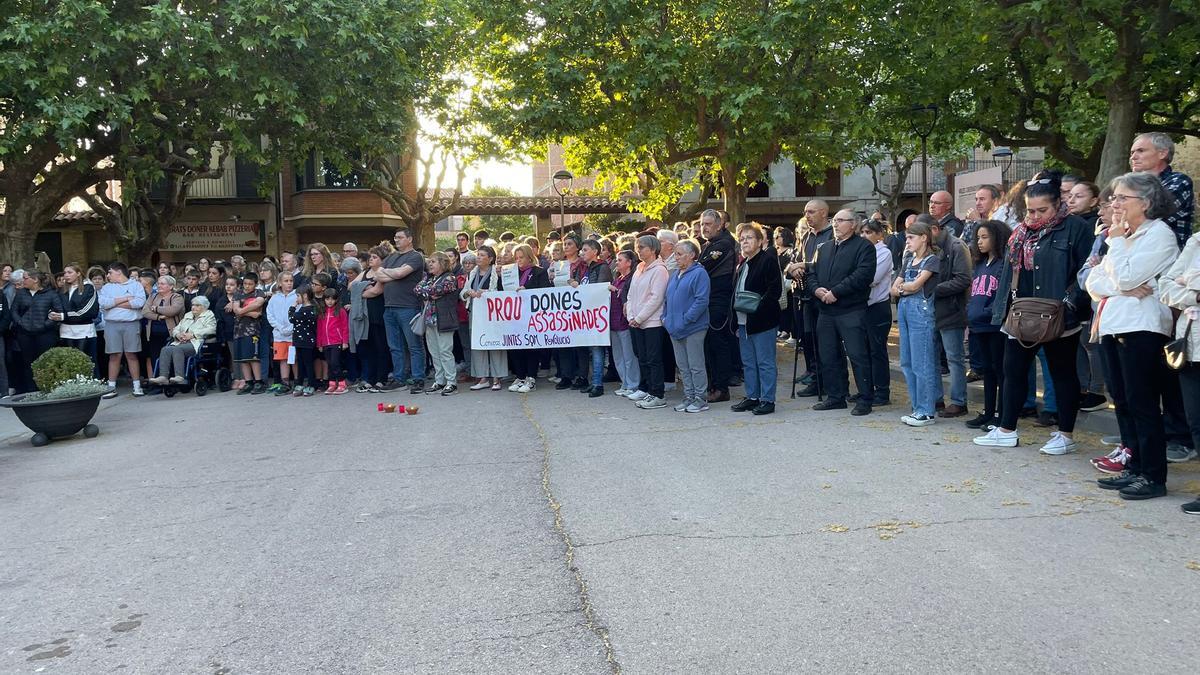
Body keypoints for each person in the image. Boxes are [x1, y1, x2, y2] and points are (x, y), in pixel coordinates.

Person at [974, 173, 1094, 454]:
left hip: (1058, 314)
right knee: (1012, 370)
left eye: (1043, 210)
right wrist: (1002, 313)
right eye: (1030, 210)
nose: (1036, 215)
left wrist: (1070, 305)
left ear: (1058, 205)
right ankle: (1006, 430)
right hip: (1022, 313)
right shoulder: (1020, 232)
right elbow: (1008, 273)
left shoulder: (1076, 228)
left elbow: (1086, 270)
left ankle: (1065, 434)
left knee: (1062, 372)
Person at [1085, 172, 1180, 500]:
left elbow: (1126, 277)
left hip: (1142, 327)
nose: (1115, 204)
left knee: (1143, 402)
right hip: (1112, 324)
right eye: (1114, 198)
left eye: (1122, 198)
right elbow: (1094, 283)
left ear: (1147, 202)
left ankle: (1153, 475)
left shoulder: (1158, 235)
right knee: (1122, 401)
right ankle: (1135, 465)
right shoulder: (1123, 236)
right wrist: (1120, 284)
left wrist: (1117, 245)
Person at [803, 210, 877, 415]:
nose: (835, 224)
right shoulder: (824, 248)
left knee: (857, 355)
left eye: (841, 221)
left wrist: (836, 292)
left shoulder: (864, 247)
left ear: (853, 224)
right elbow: (811, 274)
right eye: (834, 221)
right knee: (828, 355)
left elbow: (862, 275)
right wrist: (816, 290)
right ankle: (836, 396)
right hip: (825, 310)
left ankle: (864, 399)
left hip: (851, 310)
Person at [1159, 229, 1200, 513]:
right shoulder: (1197, 240)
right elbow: (1166, 287)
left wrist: (1189, 281)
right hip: (1192, 345)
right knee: (1196, 420)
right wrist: (1194, 294)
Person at [891, 220, 941, 426]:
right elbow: (894, 288)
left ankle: (927, 409)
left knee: (922, 362)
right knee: (907, 361)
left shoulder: (932, 260)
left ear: (924, 238)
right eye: (906, 238)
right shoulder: (908, 259)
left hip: (920, 311)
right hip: (904, 309)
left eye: (911, 237)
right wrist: (904, 288)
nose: (907, 241)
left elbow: (915, 285)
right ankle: (916, 405)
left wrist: (903, 287)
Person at [964, 219, 1012, 430]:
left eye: (985, 237)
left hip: (994, 325)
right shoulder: (980, 264)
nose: (980, 242)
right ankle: (988, 411)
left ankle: (1001, 415)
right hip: (977, 325)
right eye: (978, 238)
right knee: (987, 371)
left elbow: (1001, 296)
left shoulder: (1004, 263)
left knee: (999, 369)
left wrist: (987, 312)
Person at [730, 223, 781, 416]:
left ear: (760, 241)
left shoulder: (767, 260)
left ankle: (767, 400)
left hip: (762, 321)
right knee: (749, 362)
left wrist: (758, 309)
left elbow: (774, 291)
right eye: (742, 239)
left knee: (765, 362)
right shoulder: (743, 263)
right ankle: (753, 397)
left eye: (749, 238)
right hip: (743, 322)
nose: (744, 242)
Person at [927, 215, 972, 418]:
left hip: (952, 309)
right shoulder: (930, 246)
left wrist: (932, 288)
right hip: (932, 310)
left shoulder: (956, 246)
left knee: (954, 358)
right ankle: (936, 399)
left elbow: (963, 279)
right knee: (933, 358)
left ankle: (958, 401)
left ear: (935, 229)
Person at [787, 202, 834, 389]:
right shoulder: (806, 236)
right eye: (805, 212)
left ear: (823, 213)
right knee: (808, 336)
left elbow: (825, 262)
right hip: (805, 294)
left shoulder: (832, 235)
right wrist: (793, 269)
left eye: (811, 212)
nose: (807, 215)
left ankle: (826, 381)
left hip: (824, 294)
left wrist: (803, 266)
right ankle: (814, 376)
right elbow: (795, 260)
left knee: (824, 341)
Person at [377, 228, 427, 393]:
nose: (396, 240)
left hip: (409, 307)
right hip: (389, 307)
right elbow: (378, 275)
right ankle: (399, 379)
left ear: (410, 239)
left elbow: (400, 273)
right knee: (395, 346)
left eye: (399, 237)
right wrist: (394, 274)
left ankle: (418, 379)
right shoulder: (391, 257)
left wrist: (391, 273)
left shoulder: (415, 256)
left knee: (414, 345)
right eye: (395, 237)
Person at [663, 239, 710, 412]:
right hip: (674, 327)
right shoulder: (675, 274)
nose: (676, 257)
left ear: (691, 255)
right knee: (682, 365)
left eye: (679, 254)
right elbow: (667, 299)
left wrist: (686, 320)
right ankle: (689, 396)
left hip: (693, 328)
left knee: (695, 365)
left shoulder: (699, 274)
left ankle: (700, 398)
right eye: (675, 253)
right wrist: (665, 318)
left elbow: (701, 300)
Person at [697, 209, 738, 403]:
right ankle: (714, 384)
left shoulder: (723, 244)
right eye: (702, 224)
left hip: (718, 301)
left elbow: (702, 267)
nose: (704, 228)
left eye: (708, 224)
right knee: (709, 344)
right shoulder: (710, 243)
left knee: (717, 343)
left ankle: (721, 388)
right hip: (709, 299)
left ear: (720, 224)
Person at [1129, 132, 1194, 250]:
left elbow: (1154, 212)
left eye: (1141, 151)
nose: (1133, 157)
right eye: (1132, 152)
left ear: (1162, 153)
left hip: (1167, 257)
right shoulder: (1129, 186)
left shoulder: (1179, 181)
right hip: (1131, 251)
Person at [625, 235, 669, 409]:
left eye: (642, 247)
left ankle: (658, 393)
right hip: (636, 321)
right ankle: (648, 389)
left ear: (653, 249)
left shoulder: (660, 270)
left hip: (652, 322)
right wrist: (631, 316)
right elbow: (630, 294)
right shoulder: (639, 268)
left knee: (653, 359)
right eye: (637, 246)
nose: (639, 250)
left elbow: (656, 297)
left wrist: (639, 317)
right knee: (642, 357)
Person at [98, 262, 147, 398]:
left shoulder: (136, 285)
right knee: (114, 355)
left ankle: (137, 386)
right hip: (112, 324)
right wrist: (125, 298)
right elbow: (103, 303)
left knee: (131, 354)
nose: (108, 276)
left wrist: (114, 304)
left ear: (118, 272)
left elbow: (139, 303)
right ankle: (111, 387)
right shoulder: (107, 287)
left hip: (131, 323)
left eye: (110, 272)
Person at [461, 245, 507, 391]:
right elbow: (462, 293)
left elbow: (503, 293)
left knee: (494, 344)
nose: (478, 257)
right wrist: (468, 292)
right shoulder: (472, 273)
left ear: (491, 258)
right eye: (478, 255)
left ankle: (497, 378)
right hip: (475, 313)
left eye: (482, 255)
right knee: (477, 344)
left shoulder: (497, 274)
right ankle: (482, 377)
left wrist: (487, 292)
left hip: (493, 314)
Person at [571, 239, 614, 396]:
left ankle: (598, 383)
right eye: (582, 250)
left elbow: (600, 289)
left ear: (595, 252)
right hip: (585, 315)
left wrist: (580, 287)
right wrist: (572, 281)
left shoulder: (602, 267)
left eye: (585, 249)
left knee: (597, 349)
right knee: (592, 348)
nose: (582, 252)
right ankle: (594, 380)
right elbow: (573, 280)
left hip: (596, 315)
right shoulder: (582, 268)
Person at [414, 252, 460, 396]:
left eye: (433, 261)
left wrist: (427, 292)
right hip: (430, 321)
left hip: (444, 320)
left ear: (443, 263)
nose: (430, 264)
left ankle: (451, 382)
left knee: (445, 351)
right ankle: (439, 381)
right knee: (434, 352)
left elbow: (438, 290)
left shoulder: (450, 278)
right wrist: (429, 292)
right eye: (430, 262)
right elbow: (417, 289)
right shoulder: (429, 278)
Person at [859, 219, 894, 407]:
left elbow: (870, 278)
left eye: (869, 232)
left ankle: (882, 392)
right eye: (862, 232)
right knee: (863, 351)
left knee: (877, 350)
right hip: (862, 306)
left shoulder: (884, 252)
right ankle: (867, 389)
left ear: (879, 235)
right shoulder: (862, 252)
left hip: (877, 307)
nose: (864, 236)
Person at [507, 244, 550, 393]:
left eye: (521, 257)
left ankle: (531, 378)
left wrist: (528, 291)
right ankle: (520, 376)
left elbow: (545, 292)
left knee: (531, 346)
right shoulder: (510, 274)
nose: (518, 260)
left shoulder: (539, 272)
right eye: (516, 258)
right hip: (514, 315)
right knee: (515, 346)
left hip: (532, 316)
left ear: (529, 257)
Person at [12, 271, 64, 393]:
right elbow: (14, 311)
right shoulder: (21, 294)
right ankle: (32, 390)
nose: (22, 281)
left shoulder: (51, 294)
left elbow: (58, 312)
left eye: (25, 278)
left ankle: (47, 388)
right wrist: (20, 323)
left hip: (45, 334)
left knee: (46, 361)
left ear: (35, 279)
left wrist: (45, 325)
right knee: (28, 362)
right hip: (25, 334)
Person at [148, 295, 217, 385]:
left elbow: (211, 329)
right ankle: (163, 377)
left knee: (178, 349)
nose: (193, 307)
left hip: (197, 343)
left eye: (197, 305)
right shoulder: (188, 315)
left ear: (204, 307)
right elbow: (176, 328)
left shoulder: (209, 315)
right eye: (193, 305)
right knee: (166, 349)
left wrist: (193, 335)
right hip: (181, 341)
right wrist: (178, 335)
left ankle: (180, 376)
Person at [142, 275, 184, 389]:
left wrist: (155, 309)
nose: (159, 286)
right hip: (153, 333)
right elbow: (145, 312)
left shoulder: (177, 297)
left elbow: (173, 310)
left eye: (162, 283)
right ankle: (159, 385)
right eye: (158, 283)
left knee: (170, 357)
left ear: (171, 286)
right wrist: (158, 317)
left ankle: (172, 383)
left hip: (170, 334)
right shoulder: (153, 296)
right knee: (155, 357)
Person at [609, 249, 640, 398]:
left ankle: (633, 384)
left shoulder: (631, 279)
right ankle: (625, 383)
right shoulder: (618, 278)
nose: (617, 262)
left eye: (620, 260)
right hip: (613, 322)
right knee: (618, 357)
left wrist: (615, 291)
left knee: (629, 357)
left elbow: (628, 298)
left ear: (629, 263)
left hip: (624, 322)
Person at [232, 272, 267, 395]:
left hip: (252, 330)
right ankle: (248, 382)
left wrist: (241, 311)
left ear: (255, 284)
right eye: (245, 283)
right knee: (242, 358)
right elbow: (235, 309)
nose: (247, 286)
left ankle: (258, 381)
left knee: (253, 357)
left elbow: (258, 306)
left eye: (250, 284)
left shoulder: (259, 293)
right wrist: (248, 312)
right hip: (238, 330)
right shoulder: (237, 294)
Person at [54, 264, 98, 355]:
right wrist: (52, 313)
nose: (66, 275)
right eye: (65, 272)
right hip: (65, 331)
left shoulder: (88, 287)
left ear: (78, 273)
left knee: (85, 362)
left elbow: (87, 311)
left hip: (84, 331)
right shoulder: (62, 289)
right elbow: (56, 305)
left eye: (69, 272)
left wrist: (64, 316)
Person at [266, 272, 297, 395]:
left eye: (291, 281)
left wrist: (291, 327)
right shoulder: (274, 298)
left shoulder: (296, 297)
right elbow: (270, 314)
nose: (289, 283)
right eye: (286, 281)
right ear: (279, 283)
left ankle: (297, 381)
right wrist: (279, 327)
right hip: (279, 335)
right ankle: (285, 383)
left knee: (293, 359)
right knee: (283, 359)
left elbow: (298, 312)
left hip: (292, 334)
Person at [316, 288, 350, 395]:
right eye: (327, 299)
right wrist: (319, 343)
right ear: (324, 300)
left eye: (332, 299)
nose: (330, 301)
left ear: (336, 300)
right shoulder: (322, 312)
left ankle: (341, 383)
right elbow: (320, 329)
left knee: (335, 363)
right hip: (326, 343)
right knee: (329, 364)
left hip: (336, 341)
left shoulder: (340, 311)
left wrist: (345, 341)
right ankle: (331, 383)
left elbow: (345, 327)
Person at [288, 286, 318, 396]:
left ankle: (311, 384)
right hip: (300, 340)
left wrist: (292, 307)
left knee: (308, 363)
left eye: (298, 296)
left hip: (306, 341)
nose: (296, 299)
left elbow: (291, 318)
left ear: (305, 296)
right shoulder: (307, 309)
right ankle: (300, 383)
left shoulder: (307, 310)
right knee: (301, 363)